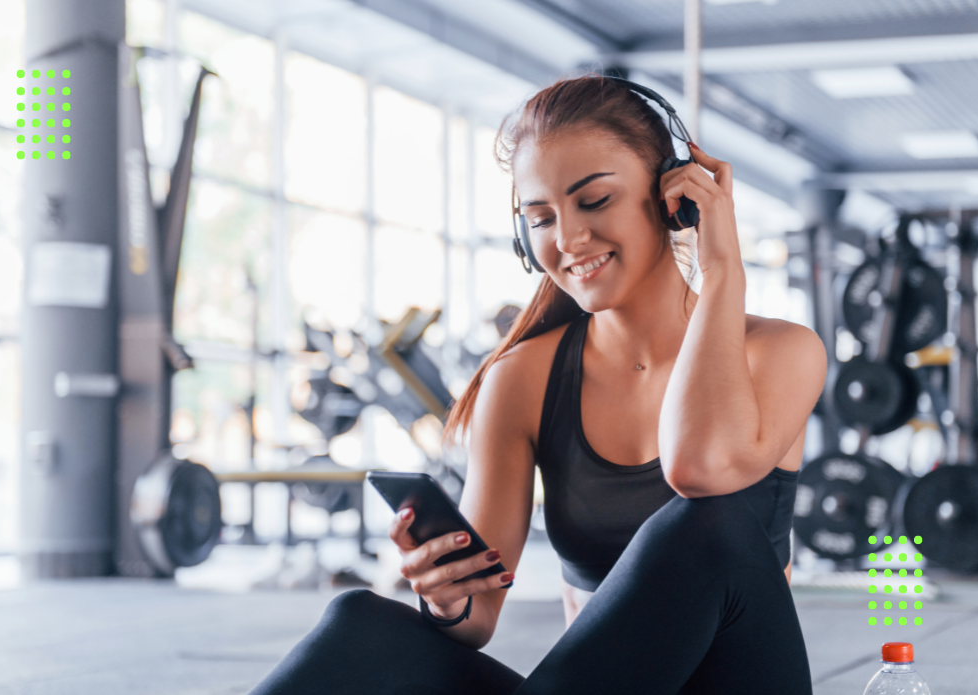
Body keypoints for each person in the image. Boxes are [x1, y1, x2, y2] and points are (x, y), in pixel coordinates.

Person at [248, 73, 827, 695]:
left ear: (672, 197)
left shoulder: (780, 352)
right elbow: (479, 618)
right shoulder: (523, 377)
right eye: (541, 217)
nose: (568, 239)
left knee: (704, 526)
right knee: (358, 622)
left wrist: (721, 270)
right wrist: (447, 597)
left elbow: (701, 468)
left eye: (595, 201)